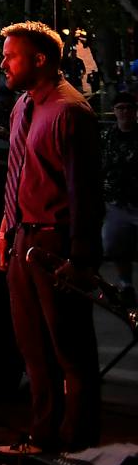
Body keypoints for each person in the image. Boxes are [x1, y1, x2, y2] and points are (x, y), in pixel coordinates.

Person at [0, 20, 103, 457]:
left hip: (55, 244)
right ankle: (43, 438)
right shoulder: (23, 106)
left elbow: (85, 193)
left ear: (39, 59)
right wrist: (5, 229)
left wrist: (81, 257)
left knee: (70, 350)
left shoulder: (70, 111)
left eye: (11, 55)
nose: (3, 62)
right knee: (33, 348)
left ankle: (77, 445)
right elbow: (16, 172)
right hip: (23, 238)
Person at [103, 90, 138, 309]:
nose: (124, 112)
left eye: (128, 108)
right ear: (114, 112)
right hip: (115, 201)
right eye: (120, 108)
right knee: (115, 246)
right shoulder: (106, 137)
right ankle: (125, 285)